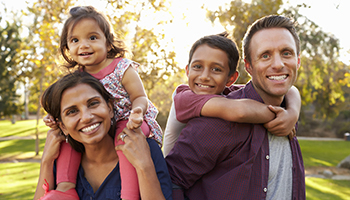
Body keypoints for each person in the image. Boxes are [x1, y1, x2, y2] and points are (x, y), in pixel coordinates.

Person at [165, 15, 305, 199]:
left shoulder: (288, 111)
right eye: (265, 55)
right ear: (249, 66)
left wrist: (292, 112)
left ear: (298, 61)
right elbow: (170, 179)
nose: (278, 64)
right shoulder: (219, 118)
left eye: (286, 53)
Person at [42, 6, 163, 200]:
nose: (84, 45)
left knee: (123, 141)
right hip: (104, 125)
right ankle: (66, 188)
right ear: (68, 48)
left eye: (92, 38)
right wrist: (53, 119)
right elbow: (64, 105)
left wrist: (138, 112)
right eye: (75, 40)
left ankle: (129, 194)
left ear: (108, 43)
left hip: (129, 120)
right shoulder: (78, 78)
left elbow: (140, 96)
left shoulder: (122, 67)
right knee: (68, 142)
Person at [34, 71, 172, 200]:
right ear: (63, 126)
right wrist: (46, 161)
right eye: (72, 112)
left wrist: (144, 166)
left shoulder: (145, 149)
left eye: (93, 103)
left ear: (110, 108)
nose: (86, 117)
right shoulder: (60, 164)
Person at [163, 33, 300, 157]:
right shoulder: (184, 96)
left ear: (231, 79)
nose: (204, 77)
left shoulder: (225, 92)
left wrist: (292, 113)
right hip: (170, 177)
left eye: (216, 69)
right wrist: (281, 117)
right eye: (198, 66)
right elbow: (240, 111)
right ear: (187, 70)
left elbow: (291, 89)